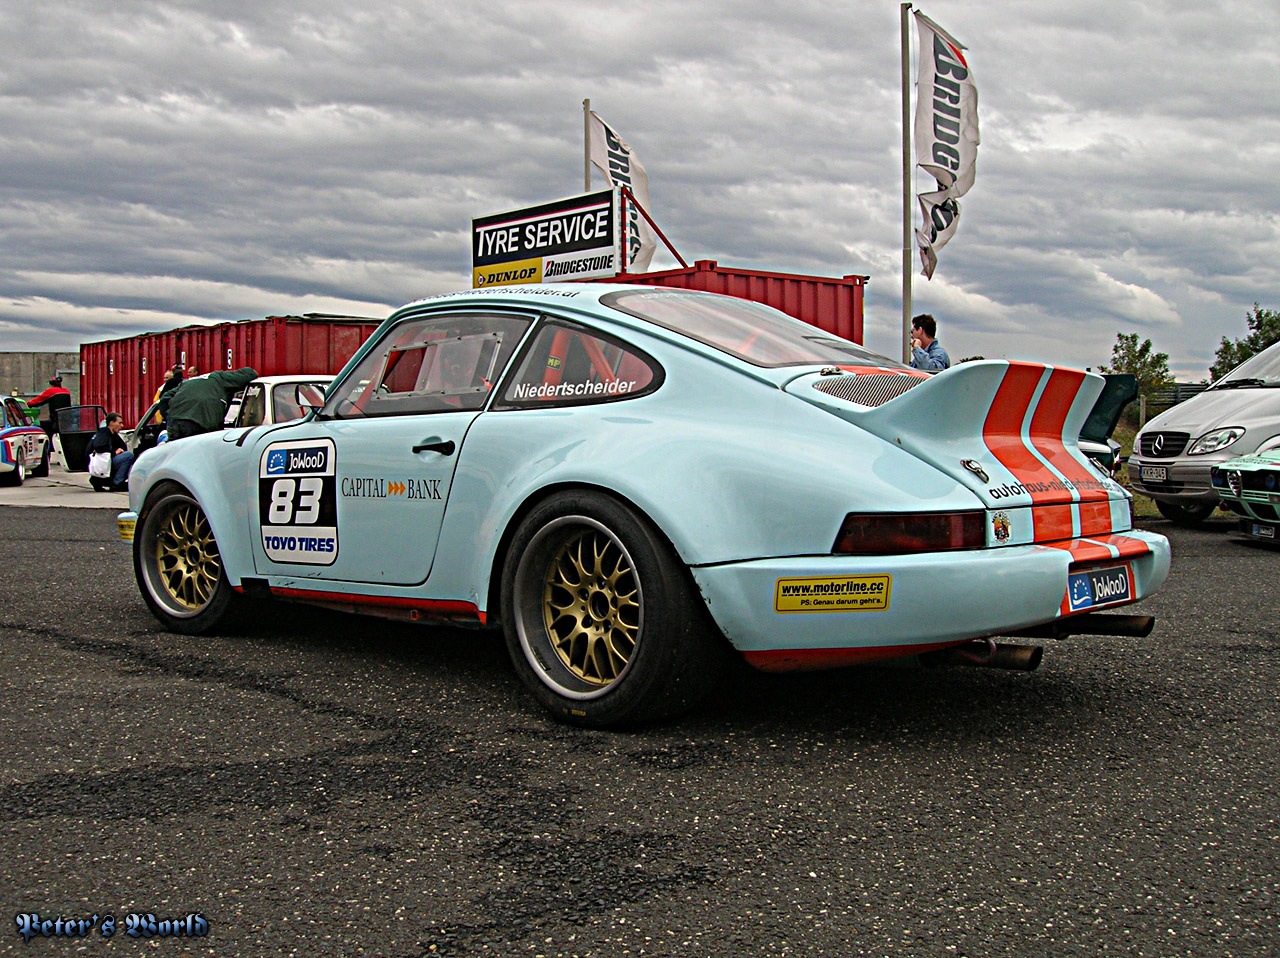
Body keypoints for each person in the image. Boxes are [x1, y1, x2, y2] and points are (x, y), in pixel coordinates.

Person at [159, 366, 258, 440]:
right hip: (198, 423)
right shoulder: (220, 378)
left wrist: (168, 416)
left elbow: (165, 397)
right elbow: (250, 374)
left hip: (174, 422)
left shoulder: (188, 382)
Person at [86, 412, 133, 492]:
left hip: (102, 464)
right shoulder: (104, 433)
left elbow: (123, 447)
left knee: (126, 456)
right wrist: (114, 452)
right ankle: (117, 483)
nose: (122, 426)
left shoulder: (112, 434)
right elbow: (99, 447)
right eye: (119, 423)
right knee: (128, 456)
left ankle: (101, 480)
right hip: (101, 463)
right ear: (112, 423)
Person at [28, 376, 72, 449]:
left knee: (42, 427)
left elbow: (38, 401)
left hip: (56, 421)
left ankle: (50, 448)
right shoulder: (66, 391)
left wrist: (27, 404)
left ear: (52, 384)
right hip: (67, 421)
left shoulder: (51, 391)